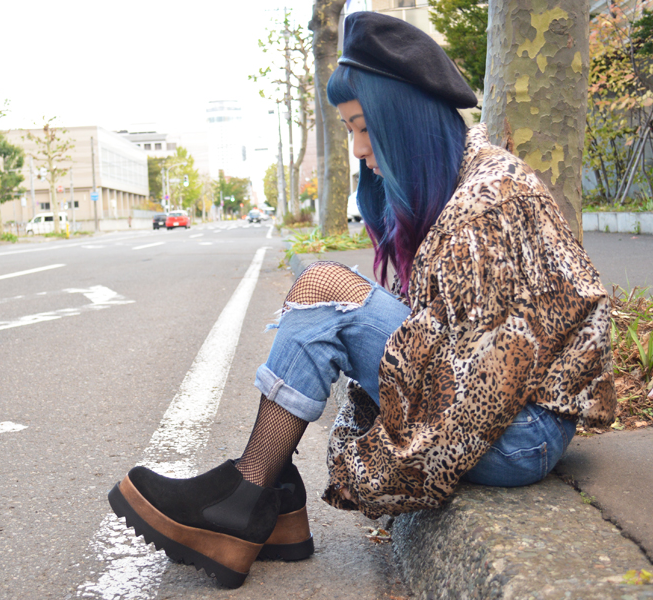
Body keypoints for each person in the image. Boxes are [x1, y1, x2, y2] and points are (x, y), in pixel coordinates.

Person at [107, 11, 616, 589]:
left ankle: (249, 495)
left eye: (364, 127)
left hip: (520, 437)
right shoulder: (464, 177)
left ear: (405, 119)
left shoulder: (486, 205)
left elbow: (480, 401)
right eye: (348, 129)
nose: (356, 149)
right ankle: (272, 498)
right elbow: (452, 348)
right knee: (326, 289)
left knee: (326, 289)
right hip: (504, 411)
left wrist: (369, 466)